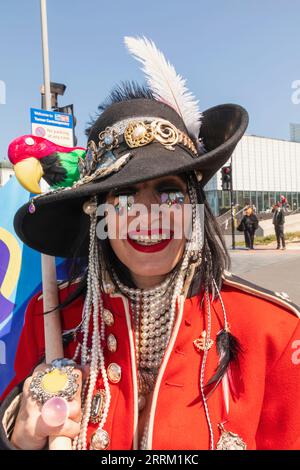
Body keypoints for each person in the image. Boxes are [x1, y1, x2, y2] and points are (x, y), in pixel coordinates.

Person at [0, 37, 300, 451]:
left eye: (169, 193)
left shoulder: (273, 329)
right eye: (122, 196)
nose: (148, 214)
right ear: (97, 212)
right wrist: (17, 436)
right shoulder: (50, 314)